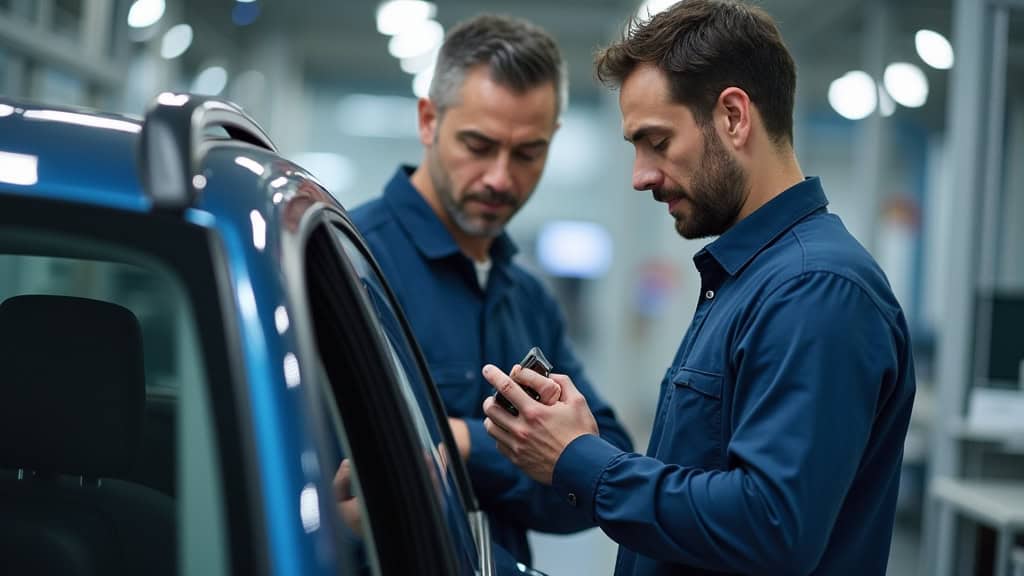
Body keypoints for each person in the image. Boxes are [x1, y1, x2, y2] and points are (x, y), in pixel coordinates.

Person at [480, 1, 917, 574]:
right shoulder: (750, 280)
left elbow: (771, 526)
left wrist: (582, 461)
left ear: (734, 117)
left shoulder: (815, 290)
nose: (640, 175)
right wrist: (588, 447)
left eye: (657, 142)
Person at [349, 13, 633, 565]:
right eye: (478, 145)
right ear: (429, 120)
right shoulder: (352, 263)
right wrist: (527, 455)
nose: (501, 178)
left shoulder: (527, 300)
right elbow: (342, 483)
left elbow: (605, 476)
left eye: (528, 153)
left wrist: (461, 441)